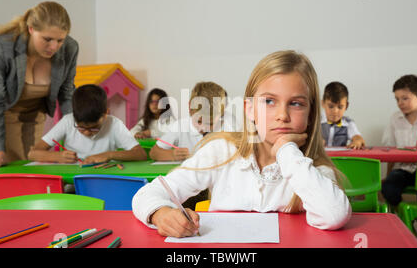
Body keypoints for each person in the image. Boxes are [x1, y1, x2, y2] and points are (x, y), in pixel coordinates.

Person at [132, 50, 351, 238]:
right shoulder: (222, 150)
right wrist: (161, 214)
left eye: (295, 103)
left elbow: (334, 214)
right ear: (249, 109)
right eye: (269, 101)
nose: (282, 115)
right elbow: (146, 195)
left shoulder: (313, 168)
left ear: (311, 114)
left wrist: (286, 151)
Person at [0, 1, 79, 168]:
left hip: (34, 116)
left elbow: (66, 95)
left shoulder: (70, 48)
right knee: (5, 168)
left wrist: (76, 137)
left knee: (31, 166)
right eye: (47, 39)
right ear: (31, 29)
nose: (53, 47)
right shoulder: (0, 45)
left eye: (60, 40)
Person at [28, 84, 147, 164]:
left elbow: (140, 154)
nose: (86, 133)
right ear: (74, 115)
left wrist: (109, 155)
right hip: (71, 181)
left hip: (102, 178)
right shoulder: (68, 121)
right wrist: (57, 157)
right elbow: (32, 154)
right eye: (80, 128)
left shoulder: (114, 124)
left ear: (105, 113)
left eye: (94, 128)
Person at [381, 74, 417, 243]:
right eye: (397, 99)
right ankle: (407, 220)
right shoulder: (394, 119)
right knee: (389, 188)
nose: (400, 103)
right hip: (403, 169)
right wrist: (388, 175)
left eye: (405, 98)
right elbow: (389, 150)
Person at [149, 81, 238, 162]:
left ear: (222, 113)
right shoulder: (180, 126)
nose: (203, 128)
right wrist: (172, 155)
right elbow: (154, 152)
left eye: (210, 123)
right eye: (199, 121)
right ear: (190, 109)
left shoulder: (229, 126)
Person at [321, 81, 365, 149]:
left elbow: (358, 137)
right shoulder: (315, 121)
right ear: (323, 103)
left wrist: (357, 141)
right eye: (331, 106)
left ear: (346, 106)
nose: (335, 111)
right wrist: (315, 141)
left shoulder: (348, 123)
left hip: (339, 158)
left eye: (340, 107)